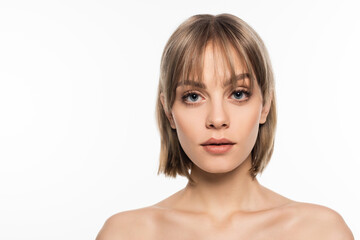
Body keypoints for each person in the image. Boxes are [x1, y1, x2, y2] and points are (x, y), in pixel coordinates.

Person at [96, 13, 354, 239]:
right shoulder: (125, 233)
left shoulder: (321, 232)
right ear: (169, 111)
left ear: (265, 105)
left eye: (238, 94)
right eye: (193, 96)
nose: (217, 119)